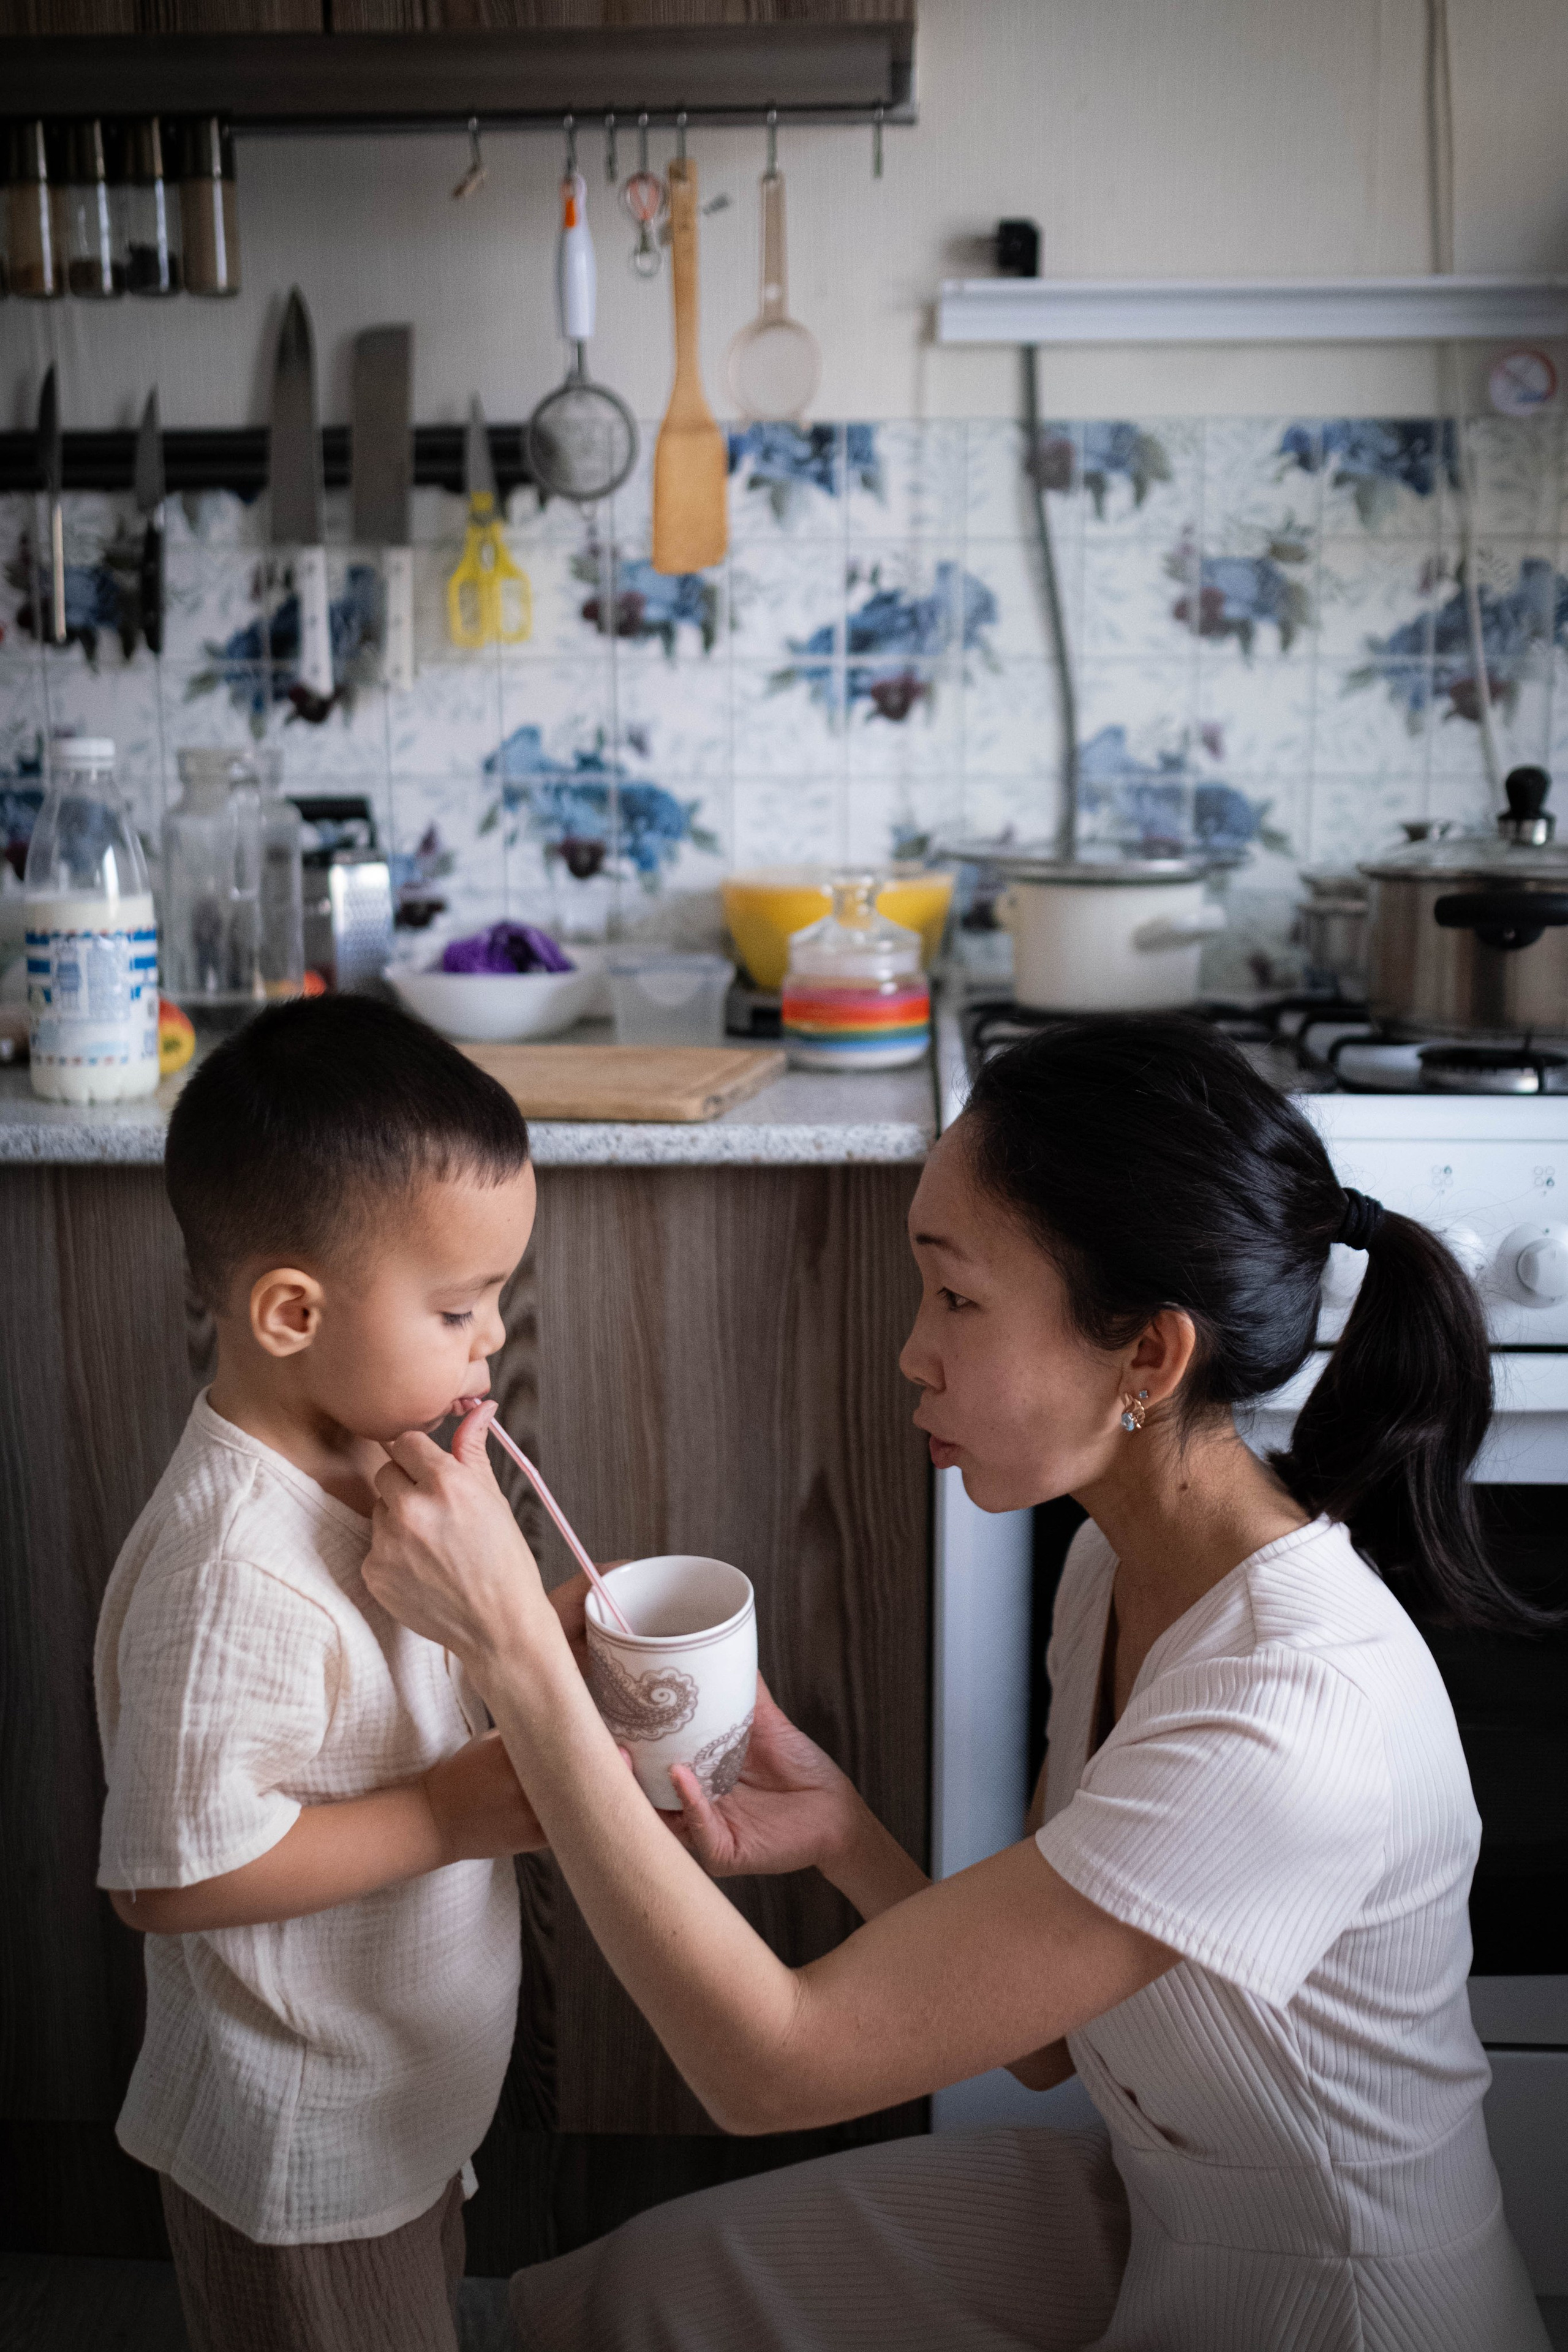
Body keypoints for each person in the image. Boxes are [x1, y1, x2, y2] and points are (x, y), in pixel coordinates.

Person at [364, 1015, 1551, 2352]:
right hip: (1158, 2201)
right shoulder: (1111, 1572)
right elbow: (1055, 2041)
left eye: (958, 1298)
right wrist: (842, 1834)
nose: (910, 1352)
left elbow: (770, 2068)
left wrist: (517, 1654)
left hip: (1335, 2303)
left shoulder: (1285, 1714)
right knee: (627, 2300)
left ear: (1146, 1359)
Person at [94, 995, 567, 2352]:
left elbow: (391, 1693)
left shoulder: (375, 1456)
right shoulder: (232, 1568)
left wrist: (532, 1633)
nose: (490, 1342)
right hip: (300, 2150)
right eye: (461, 1307)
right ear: (293, 1312)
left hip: (396, 2108)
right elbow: (168, 1878)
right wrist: (448, 1817)